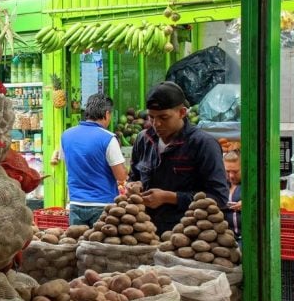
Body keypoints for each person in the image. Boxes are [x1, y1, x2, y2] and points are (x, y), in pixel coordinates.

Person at [129, 81, 229, 235]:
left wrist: (170, 197)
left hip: (187, 238)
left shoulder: (203, 144)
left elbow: (219, 198)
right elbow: (134, 177)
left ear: (182, 113)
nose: (156, 124)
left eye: (164, 117)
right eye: (151, 117)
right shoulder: (144, 139)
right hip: (145, 233)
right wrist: (133, 186)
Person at [61, 93, 128, 226]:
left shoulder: (66, 135)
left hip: (75, 203)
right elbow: (121, 176)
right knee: (100, 246)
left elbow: (68, 164)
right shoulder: (108, 138)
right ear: (107, 114)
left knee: (77, 245)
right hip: (103, 205)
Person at [223, 150, 242, 244]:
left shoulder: (251, 186)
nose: (231, 176)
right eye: (227, 171)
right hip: (226, 238)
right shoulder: (221, 186)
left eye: (235, 171)